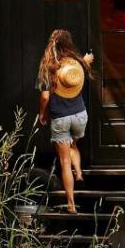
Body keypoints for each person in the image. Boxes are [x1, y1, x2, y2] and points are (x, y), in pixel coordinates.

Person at [37, 28, 94, 213]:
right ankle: (79, 173)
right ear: (68, 43)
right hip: (80, 115)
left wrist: (42, 114)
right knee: (74, 145)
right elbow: (83, 64)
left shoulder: (48, 67)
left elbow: (45, 96)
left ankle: (71, 205)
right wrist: (87, 59)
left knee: (64, 162)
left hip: (60, 117)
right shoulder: (76, 63)